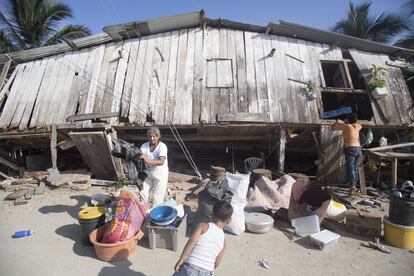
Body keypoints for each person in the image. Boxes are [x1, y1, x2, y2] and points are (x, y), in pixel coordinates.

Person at [173, 201, 233, 276]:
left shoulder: (203, 226)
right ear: (229, 220)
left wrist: (182, 259)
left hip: (191, 267)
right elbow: (217, 262)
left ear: (212, 215)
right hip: (207, 271)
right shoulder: (224, 241)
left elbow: (191, 242)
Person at [333, 113, 362, 196]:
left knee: (351, 168)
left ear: (348, 120)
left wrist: (340, 121)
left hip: (350, 148)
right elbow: (360, 125)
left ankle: (352, 187)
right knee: (355, 168)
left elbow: (334, 128)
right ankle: (354, 187)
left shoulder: (347, 126)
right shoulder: (357, 127)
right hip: (358, 149)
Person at [139, 127, 169, 206]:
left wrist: (147, 160)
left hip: (160, 174)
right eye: (150, 136)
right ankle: (142, 214)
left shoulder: (162, 146)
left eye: (154, 136)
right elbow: (141, 157)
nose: (152, 138)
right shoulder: (144, 146)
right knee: (143, 193)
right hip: (148, 173)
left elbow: (161, 161)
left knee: (158, 197)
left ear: (158, 137)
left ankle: (155, 217)